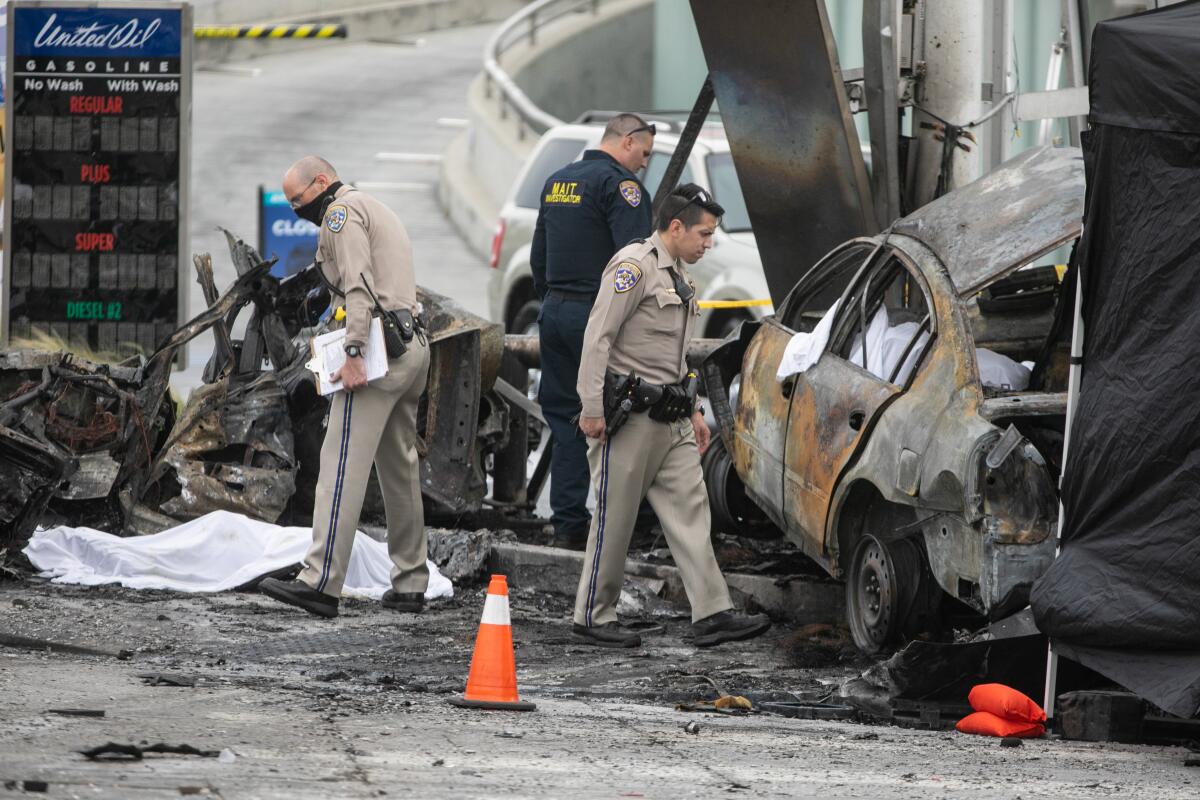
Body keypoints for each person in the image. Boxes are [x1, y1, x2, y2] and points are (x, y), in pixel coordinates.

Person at [571, 184, 772, 648]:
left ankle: (711, 612)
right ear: (675, 226)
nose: (708, 243)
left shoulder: (679, 275)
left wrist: (697, 411)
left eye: (712, 235)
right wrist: (591, 410)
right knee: (614, 517)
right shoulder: (633, 268)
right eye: (703, 233)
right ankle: (592, 616)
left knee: (691, 511)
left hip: (674, 415)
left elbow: (675, 353)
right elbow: (597, 338)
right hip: (631, 417)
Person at [260, 156, 430, 619]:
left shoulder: (339, 213)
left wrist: (354, 352)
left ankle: (320, 581)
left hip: (375, 352)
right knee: (400, 469)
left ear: (322, 181)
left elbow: (358, 286)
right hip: (411, 344)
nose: (297, 208)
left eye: (299, 199)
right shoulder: (374, 206)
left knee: (338, 468)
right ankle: (411, 581)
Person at [530, 113, 655, 550]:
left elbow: (538, 256)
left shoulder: (557, 181)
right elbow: (636, 262)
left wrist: (553, 302)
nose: (643, 164)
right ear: (625, 140)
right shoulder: (621, 188)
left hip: (555, 313)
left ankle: (567, 524)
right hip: (597, 317)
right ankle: (624, 527)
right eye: (643, 152)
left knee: (567, 418)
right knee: (620, 418)